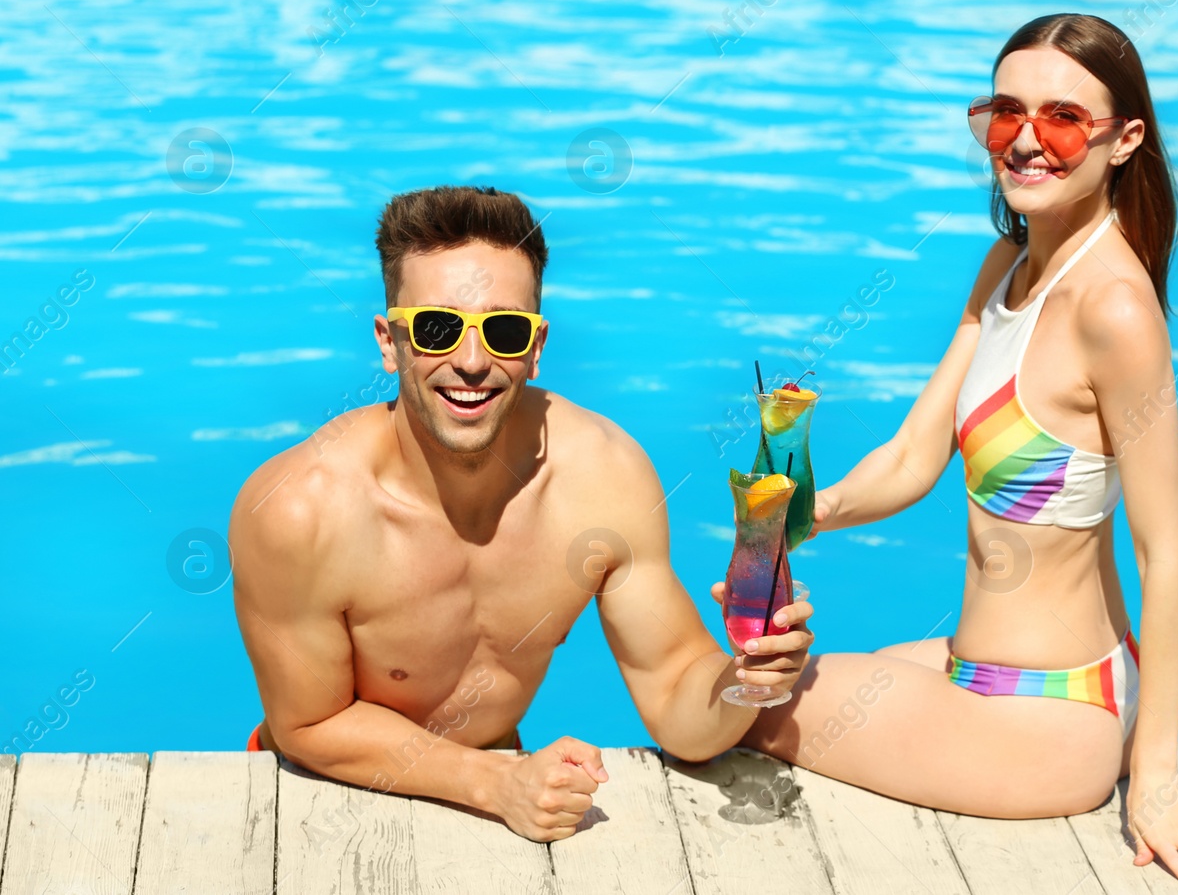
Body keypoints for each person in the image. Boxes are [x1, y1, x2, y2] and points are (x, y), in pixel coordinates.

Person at [743, 14, 1178, 886]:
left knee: (729, 706)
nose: (1028, 143)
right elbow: (911, 458)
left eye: (1063, 119)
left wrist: (1155, 776)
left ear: (1125, 140)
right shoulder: (1007, 265)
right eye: (1008, 115)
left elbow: (1170, 560)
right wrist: (786, 523)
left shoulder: (1114, 309)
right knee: (758, 674)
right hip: (980, 672)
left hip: (1053, 718)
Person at [231, 185, 813, 843]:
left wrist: (746, 678)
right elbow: (309, 724)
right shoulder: (300, 509)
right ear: (390, 341)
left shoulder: (603, 476)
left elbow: (679, 696)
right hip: (321, 801)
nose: (472, 362)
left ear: (535, 347)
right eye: (436, 327)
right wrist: (493, 783)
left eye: (503, 330)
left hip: (502, 795)